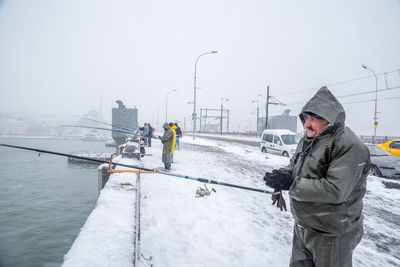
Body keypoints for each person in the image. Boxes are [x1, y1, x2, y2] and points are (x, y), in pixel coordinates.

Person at [263, 86, 371, 267]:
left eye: (312, 119)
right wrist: (282, 175)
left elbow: (335, 190)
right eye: (306, 118)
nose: (306, 124)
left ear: (328, 119)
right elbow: (294, 166)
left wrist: (292, 184)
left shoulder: (347, 144)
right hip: (303, 226)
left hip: (331, 233)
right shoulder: (308, 139)